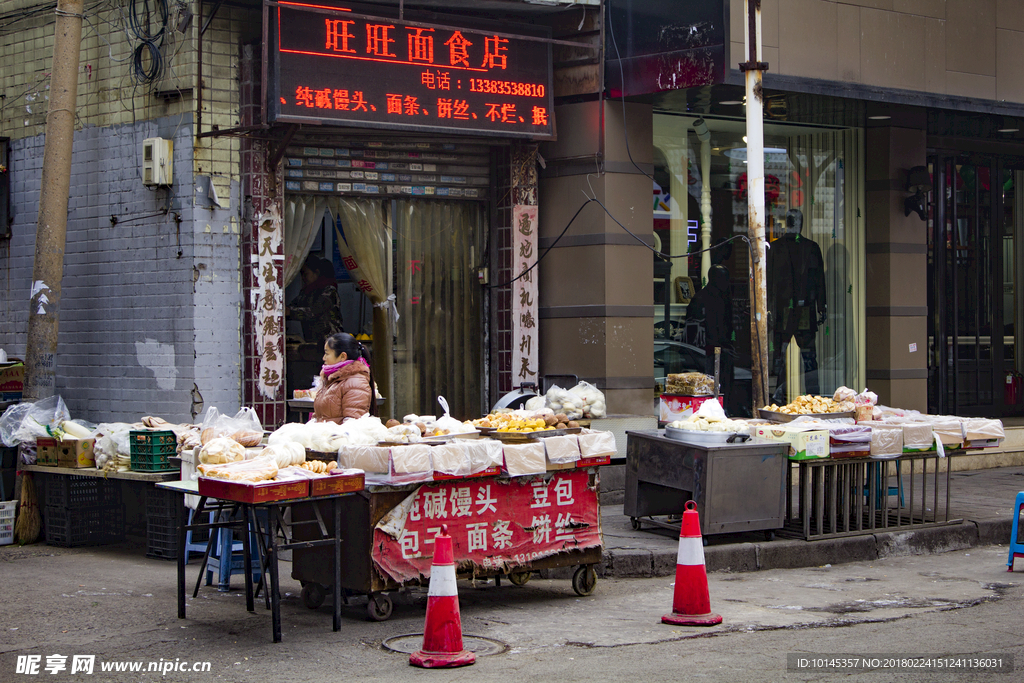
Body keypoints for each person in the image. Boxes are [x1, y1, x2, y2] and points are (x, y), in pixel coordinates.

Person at [767, 208, 826, 402]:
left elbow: (819, 280)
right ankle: (802, 397)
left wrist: (820, 306)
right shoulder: (806, 247)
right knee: (795, 359)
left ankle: (789, 398)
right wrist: (821, 306)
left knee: (791, 357)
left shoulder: (781, 248)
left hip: (794, 309)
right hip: (793, 309)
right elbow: (818, 281)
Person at [685, 264, 735, 408]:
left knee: (725, 382)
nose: (727, 282)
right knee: (709, 384)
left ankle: (726, 408)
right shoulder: (701, 298)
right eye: (723, 278)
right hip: (706, 351)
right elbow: (694, 328)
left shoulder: (724, 297)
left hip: (723, 349)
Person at [312, 333, 375, 423]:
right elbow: (319, 415)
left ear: (342, 356)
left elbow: (352, 423)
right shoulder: (330, 379)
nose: (323, 358)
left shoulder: (355, 381)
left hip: (339, 436)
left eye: (327, 353)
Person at [288, 255, 344, 343]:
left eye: (305, 274)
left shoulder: (329, 291)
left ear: (316, 272)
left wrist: (289, 312)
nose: (303, 278)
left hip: (331, 341)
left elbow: (314, 311)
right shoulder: (306, 293)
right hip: (312, 341)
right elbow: (293, 305)